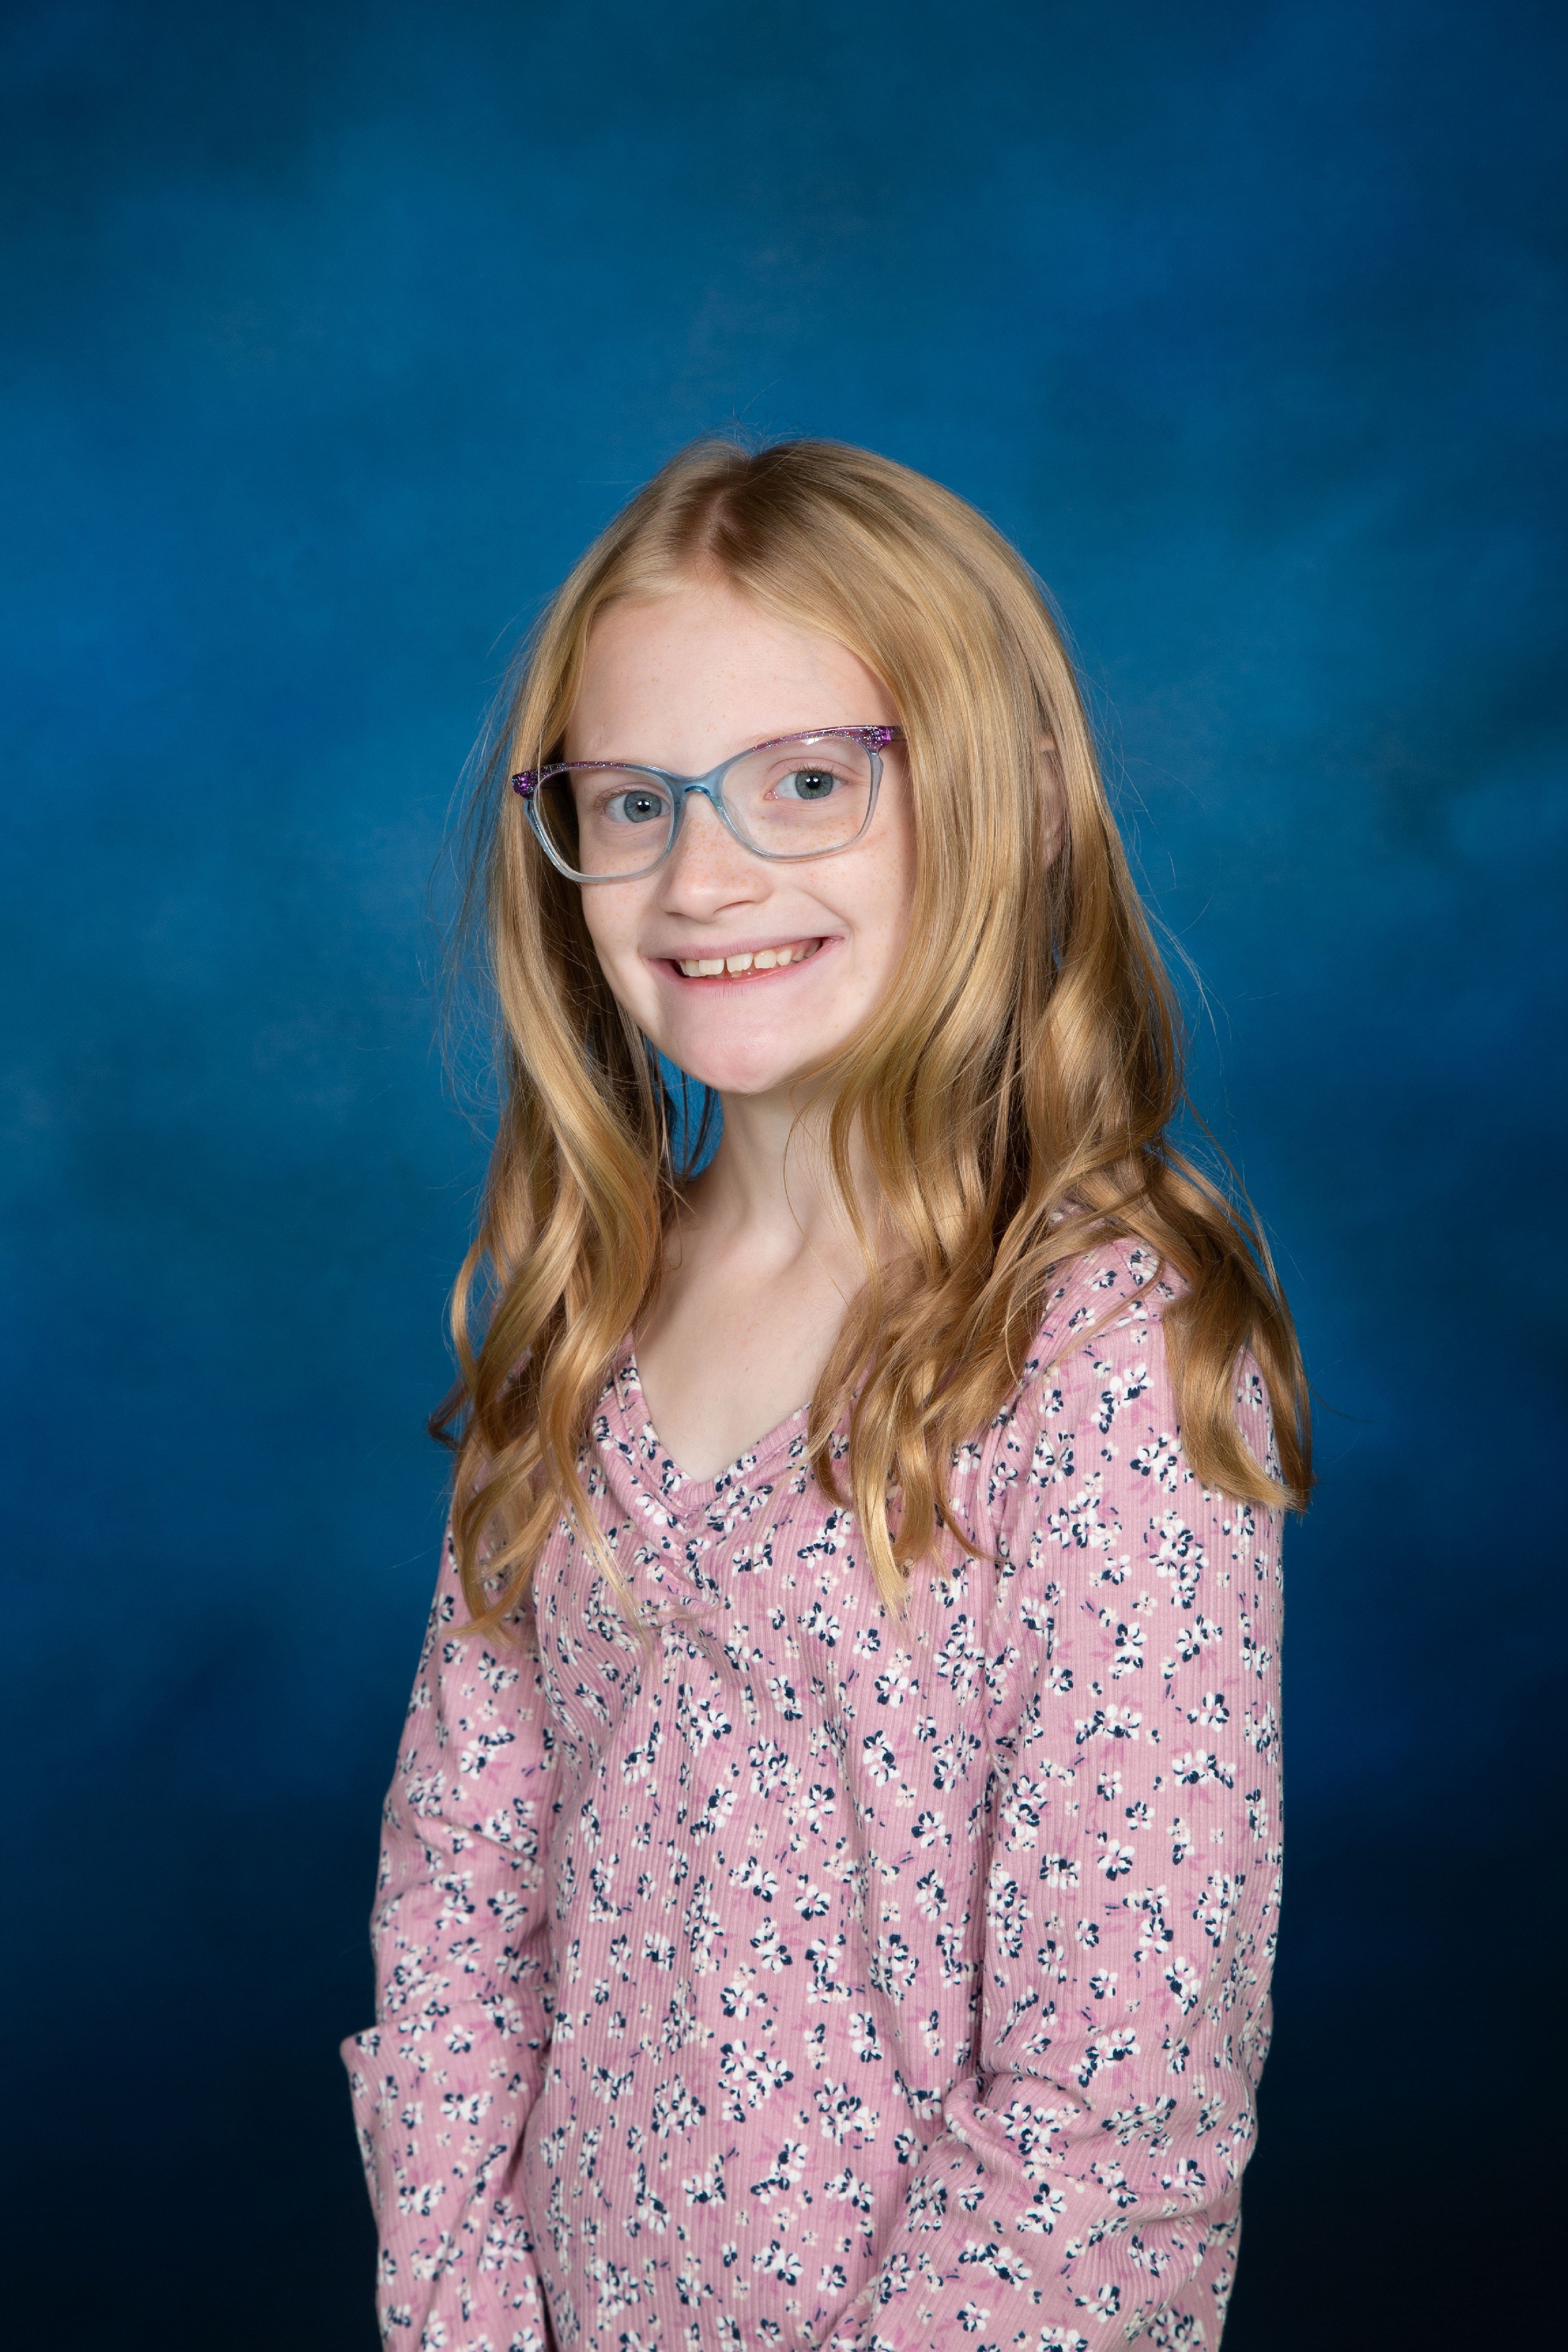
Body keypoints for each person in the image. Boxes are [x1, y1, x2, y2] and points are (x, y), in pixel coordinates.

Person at [342, 437, 1309, 2352]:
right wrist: (465, 2319)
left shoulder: (1110, 1363)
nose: (705, 877)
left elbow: (1116, 2123)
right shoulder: (583, 1320)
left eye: (804, 782)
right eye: (633, 803)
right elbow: (457, 1912)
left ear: (1010, 799)